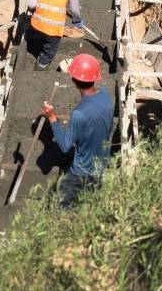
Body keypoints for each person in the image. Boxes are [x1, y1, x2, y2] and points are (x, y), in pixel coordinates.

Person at [42, 53, 114, 208]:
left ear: (74, 81)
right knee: (89, 205)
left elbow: (64, 145)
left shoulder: (79, 114)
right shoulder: (105, 97)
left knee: (57, 205)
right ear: (95, 78)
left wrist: (52, 118)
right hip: (102, 164)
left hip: (82, 171)